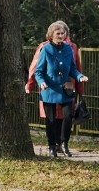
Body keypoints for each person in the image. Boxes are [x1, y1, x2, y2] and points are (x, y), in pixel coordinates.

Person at [25, 21, 83, 157]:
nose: (62, 35)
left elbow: (76, 68)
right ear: (51, 34)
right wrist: (31, 84)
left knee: (67, 116)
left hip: (67, 87)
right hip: (49, 88)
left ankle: (63, 144)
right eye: (58, 33)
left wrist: (80, 85)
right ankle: (53, 146)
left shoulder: (71, 47)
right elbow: (36, 68)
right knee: (52, 119)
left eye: (63, 33)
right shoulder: (44, 47)